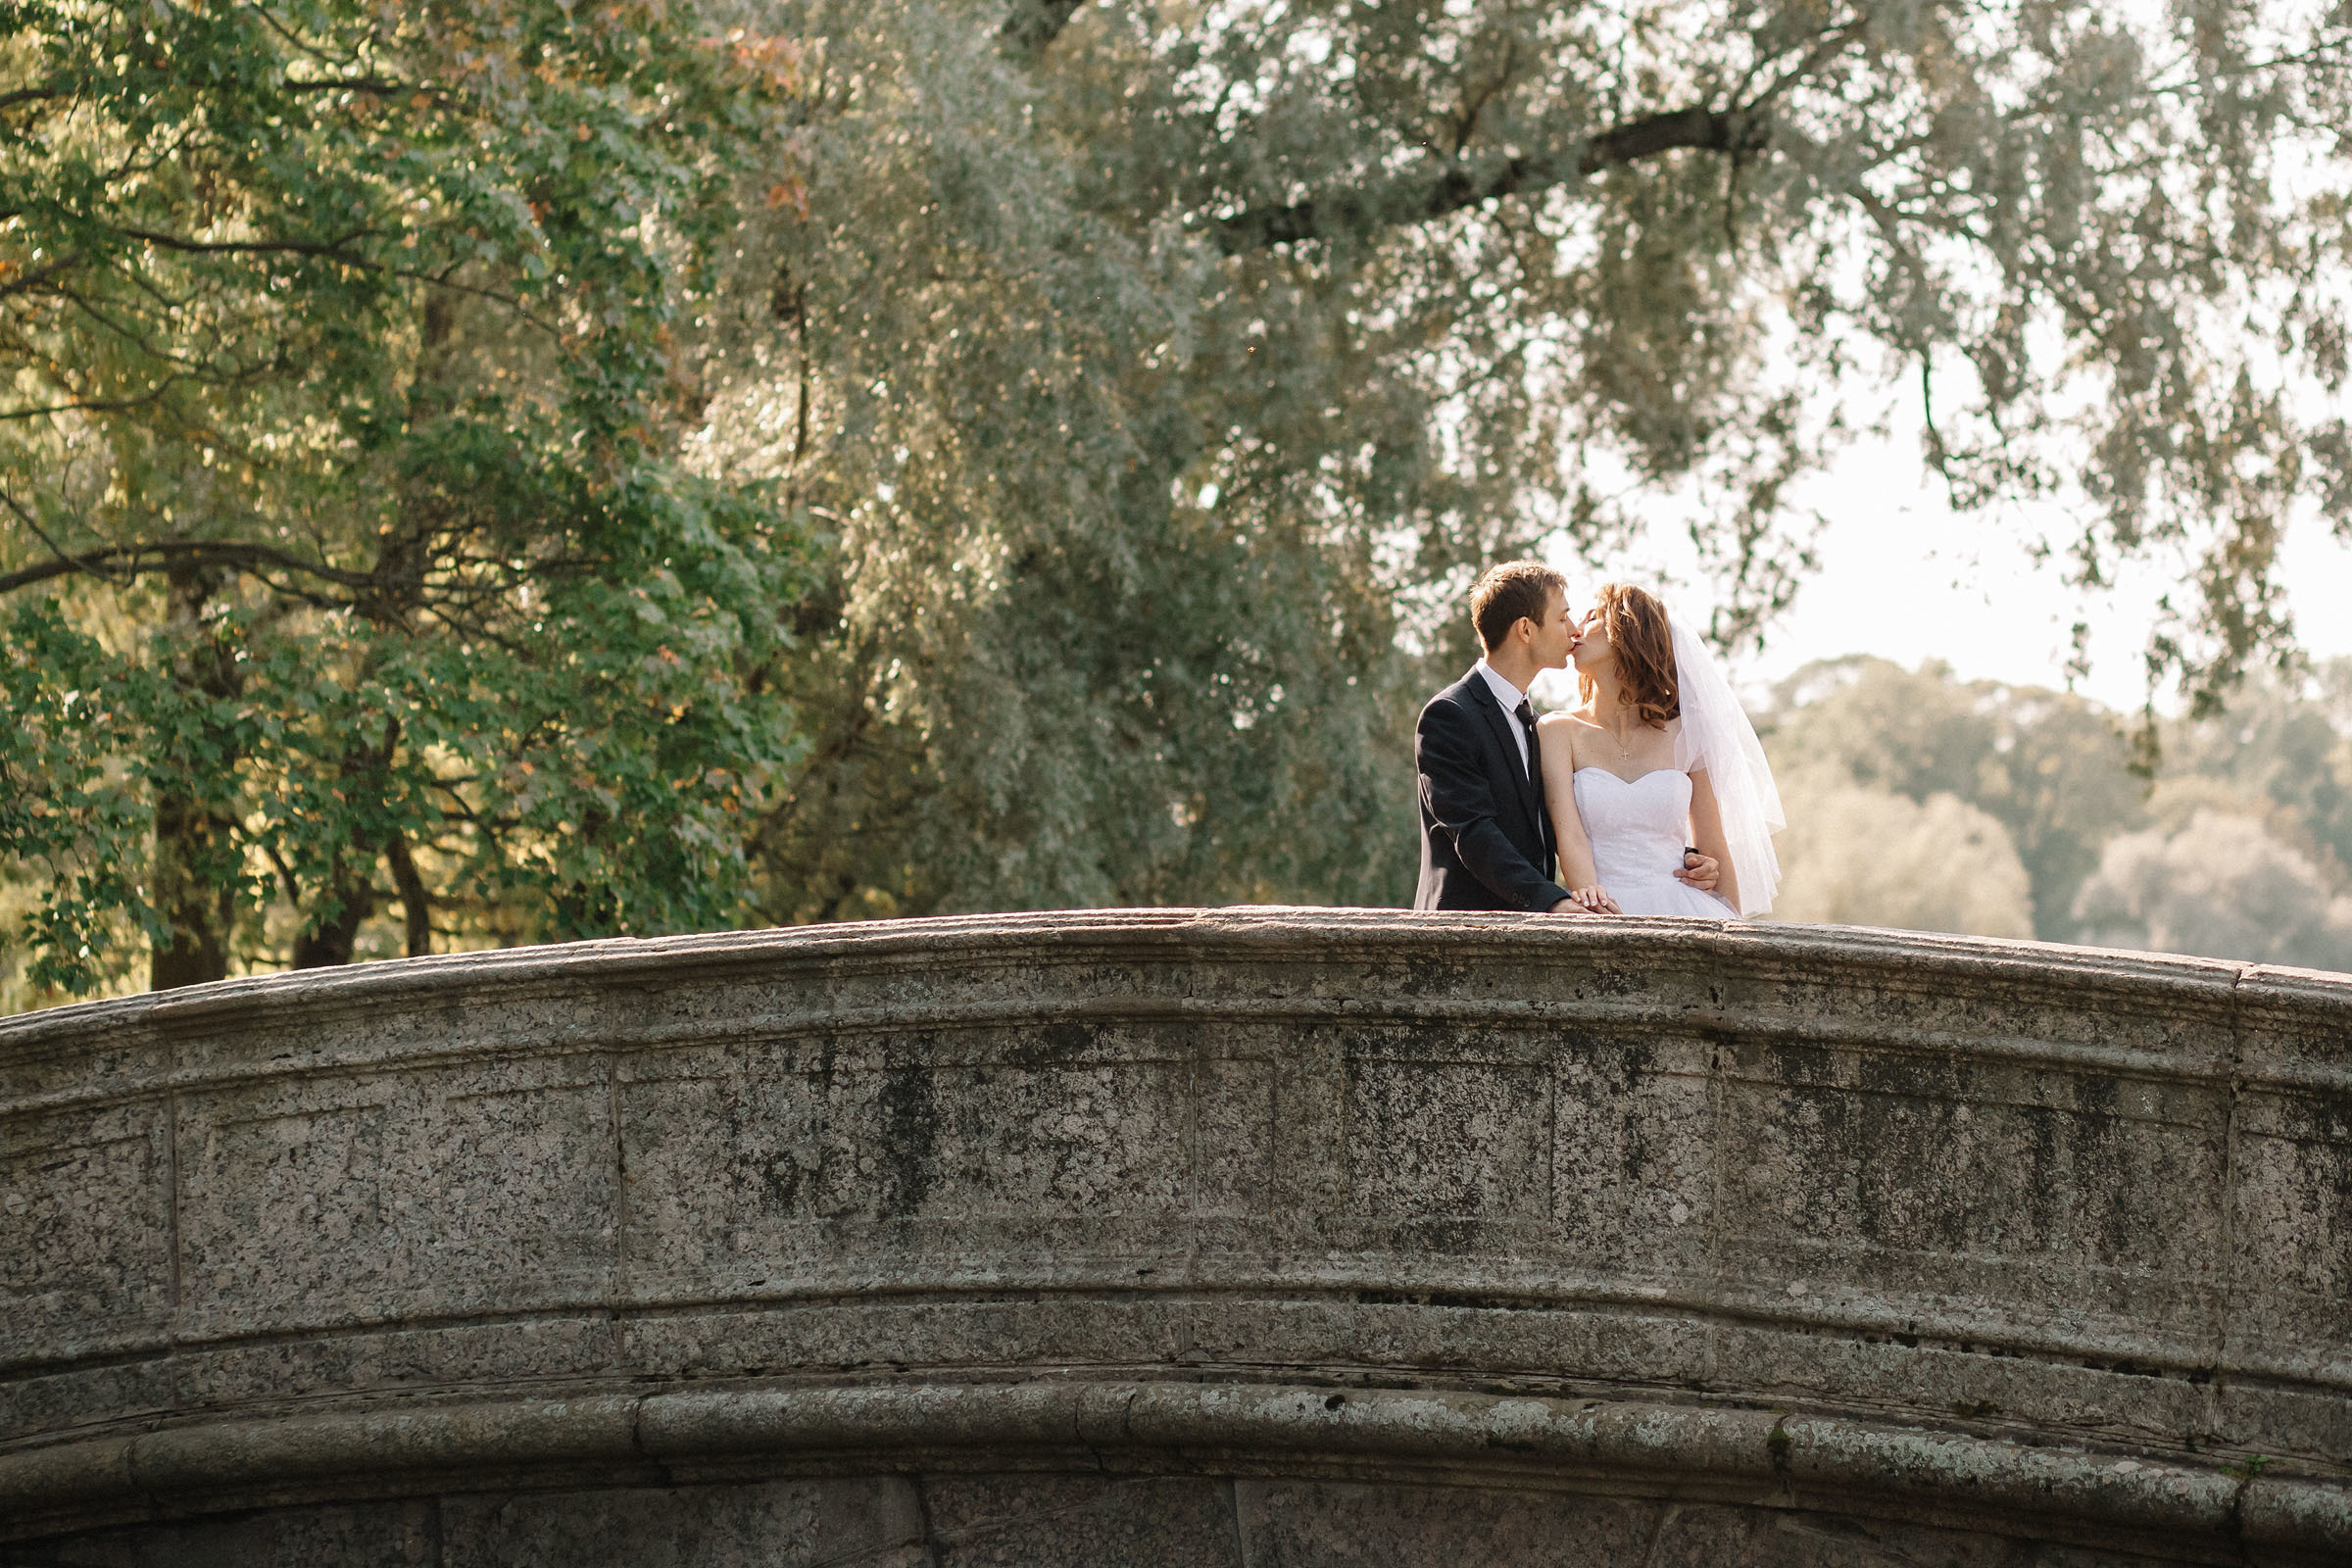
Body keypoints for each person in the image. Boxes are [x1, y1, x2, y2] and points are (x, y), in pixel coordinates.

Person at [1413, 563, 1721, 912]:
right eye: (1563, 619)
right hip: (1463, 929)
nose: (1573, 630)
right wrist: (1554, 903)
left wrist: (1684, 857)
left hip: (1534, 934)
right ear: (1526, 630)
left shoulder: (1536, 724)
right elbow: (1472, 832)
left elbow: (1593, 821)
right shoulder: (1451, 715)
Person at [1537, 583, 1784, 918]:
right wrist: (1597, 915)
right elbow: (1569, 835)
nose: (1576, 630)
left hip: (1685, 907)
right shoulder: (1556, 731)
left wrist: (1736, 938)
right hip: (1603, 906)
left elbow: (1713, 847)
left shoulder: (1687, 732)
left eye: (1593, 617)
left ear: (1628, 634)